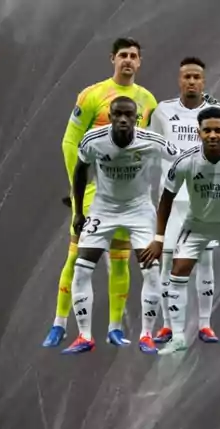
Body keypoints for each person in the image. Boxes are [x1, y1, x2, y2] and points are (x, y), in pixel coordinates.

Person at [43, 36, 158, 350]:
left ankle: (115, 328)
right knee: (76, 257)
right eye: (123, 55)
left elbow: (148, 148)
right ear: (112, 59)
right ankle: (59, 324)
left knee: (120, 261)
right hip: (96, 192)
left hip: (129, 196)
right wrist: (78, 188)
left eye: (134, 55)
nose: (128, 61)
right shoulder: (92, 95)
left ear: (140, 61)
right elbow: (70, 141)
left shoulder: (148, 100)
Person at [139, 106, 220, 355]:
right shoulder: (185, 161)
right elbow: (166, 199)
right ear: (199, 133)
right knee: (178, 270)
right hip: (196, 224)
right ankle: (177, 337)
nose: (212, 135)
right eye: (207, 130)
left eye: (218, 130)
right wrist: (158, 238)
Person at [59, 97, 178, 355]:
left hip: (139, 209)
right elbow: (81, 172)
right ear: (110, 116)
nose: (123, 119)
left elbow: (180, 160)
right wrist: (78, 212)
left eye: (128, 115)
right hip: (104, 208)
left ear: (136, 118)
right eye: (117, 115)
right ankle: (84, 336)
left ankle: (146, 335)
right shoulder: (94, 139)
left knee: (151, 271)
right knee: (81, 268)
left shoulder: (150, 140)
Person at [147, 56, 220, 352]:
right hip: (171, 198)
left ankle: (205, 322)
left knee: (203, 260)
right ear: (179, 80)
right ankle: (168, 323)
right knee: (167, 261)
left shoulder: (215, 112)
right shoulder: (163, 112)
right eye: (186, 77)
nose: (191, 81)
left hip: (203, 198)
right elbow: (153, 152)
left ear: (203, 81)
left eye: (196, 77)